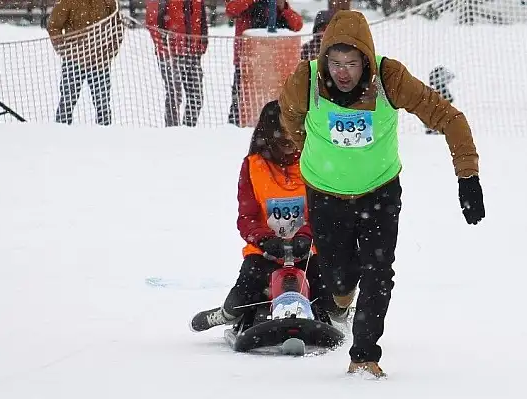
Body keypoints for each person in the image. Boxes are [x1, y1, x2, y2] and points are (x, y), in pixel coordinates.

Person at [277, 10, 485, 377]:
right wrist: (315, 150)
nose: (342, 72)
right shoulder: (305, 80)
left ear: (367, 62)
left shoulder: (391, 77)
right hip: (324, 192)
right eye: (335, 63)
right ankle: (342, 299)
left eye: (352, 63)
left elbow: (449, 118)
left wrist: (467, 177)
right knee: (338, 277)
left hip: (379, 191)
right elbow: (290, 117)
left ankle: (364, 356)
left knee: (378, 271)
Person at [190, 100, 338, 332]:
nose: (289, 141)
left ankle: (341, 312)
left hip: (310, 249)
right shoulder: (252, 167)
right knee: (241, 296)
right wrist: (264, 240)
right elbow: (246, 217)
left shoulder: (314, 163)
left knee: (333, 296)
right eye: (282, 134)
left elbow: (325, 209)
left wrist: (307, 236)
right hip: (265, 252)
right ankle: (227, 314)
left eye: (294, 132)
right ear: (268, 133)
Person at [226, 0, 303, 125]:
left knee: (276, 100)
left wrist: (283, 8)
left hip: (275, 63)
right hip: (246, 60)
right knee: (241, 101)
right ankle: (234, 127)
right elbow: (231, 10)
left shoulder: (277, 7)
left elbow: (297, 24)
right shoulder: (246, 6)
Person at [47, 0, 123, 126]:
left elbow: (117, 25)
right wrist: (65, 50)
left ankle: (105, 136)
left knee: (102, 104)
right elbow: (54, 25)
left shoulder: (109, 1)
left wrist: (110, 50)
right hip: (74, 61)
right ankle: (60, 133)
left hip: (100, 62)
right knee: (67, 101)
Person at [146, 0, 208, 127]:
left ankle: (188, 129)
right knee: (175, 94)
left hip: (193, 53)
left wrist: (202, 44)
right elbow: (152, 22)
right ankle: (172, 130)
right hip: (170, 53)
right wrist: (163, 45)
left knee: (196, 97)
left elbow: (202, 22)